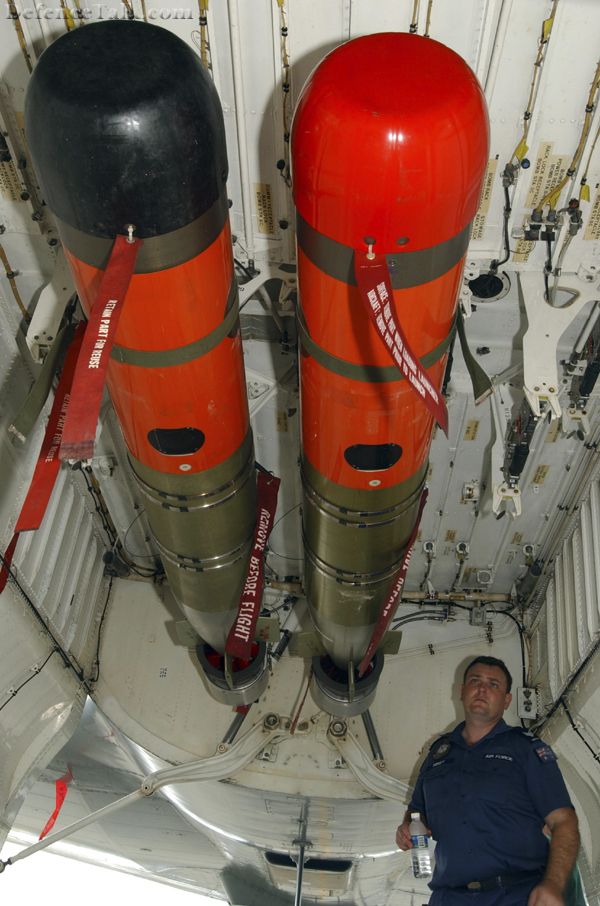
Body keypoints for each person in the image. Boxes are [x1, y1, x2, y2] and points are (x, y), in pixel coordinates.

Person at [396, 655, 579, 906]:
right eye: (475, 681)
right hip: (448, 897)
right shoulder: (439, 752)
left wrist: (554, 885)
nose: (482, 689)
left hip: (515, 894)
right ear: (462, 691)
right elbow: (417, 811)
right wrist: (408, 826)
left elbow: (564, 821)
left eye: (493, 684)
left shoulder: (525, 750)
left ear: (506, 701)